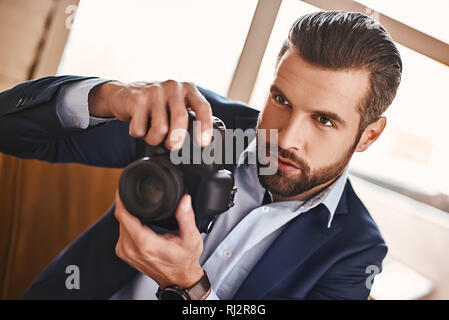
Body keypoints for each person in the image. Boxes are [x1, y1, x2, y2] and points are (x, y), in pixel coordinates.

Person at [0, 11, 402, 300]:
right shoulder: (198, 127)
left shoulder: (354, 250)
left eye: (325, 121)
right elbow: (11, 130)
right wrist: (110, 96)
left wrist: (189, 287)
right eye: (280, 99)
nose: (286, 138)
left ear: (368, 135)